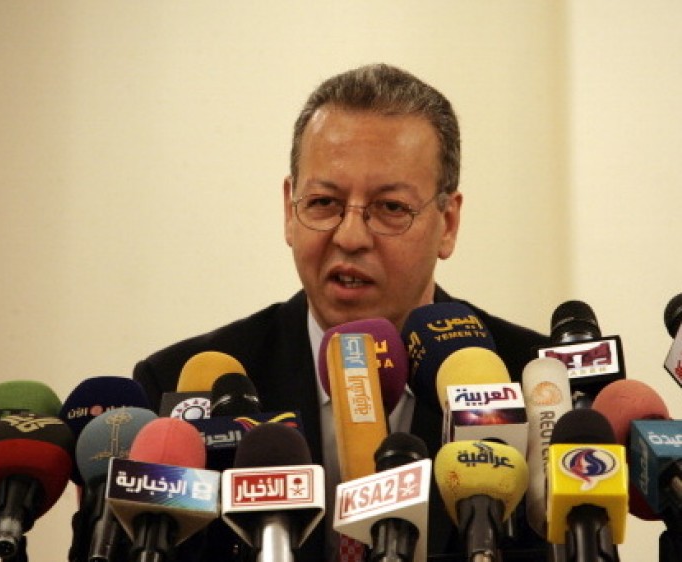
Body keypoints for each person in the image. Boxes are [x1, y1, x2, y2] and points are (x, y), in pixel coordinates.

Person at [133, 63, 549, 561]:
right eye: (325, 202)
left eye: (391, 208)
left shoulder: (534, 386)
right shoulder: (179, 388)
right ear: (290, 210)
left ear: (449, 223)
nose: (350, 237)